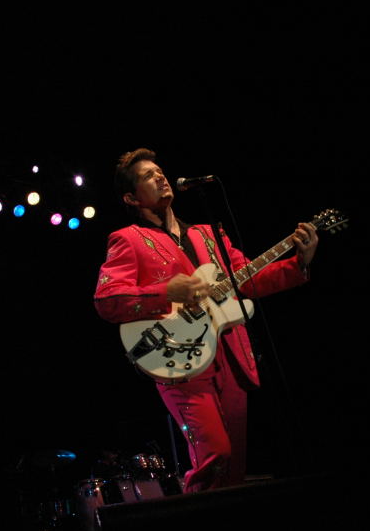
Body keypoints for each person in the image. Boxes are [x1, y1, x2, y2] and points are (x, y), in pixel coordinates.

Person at [94, 148, 318, 492]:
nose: (160, 177)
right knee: (216, 455)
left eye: (159, 171)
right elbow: (108, 300)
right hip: (177, 357)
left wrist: (298, 263)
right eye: (147, 176)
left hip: (230, 354)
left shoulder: (209, 233)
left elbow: (246, 279)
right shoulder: (128, 239)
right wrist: (166, 291)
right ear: (131, 197)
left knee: (234, 466)